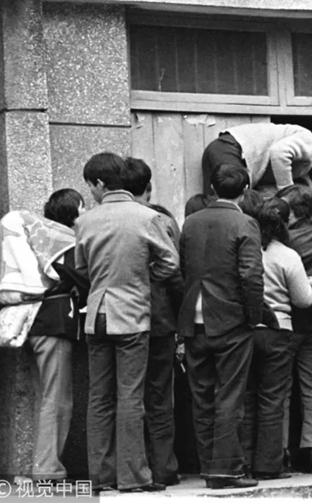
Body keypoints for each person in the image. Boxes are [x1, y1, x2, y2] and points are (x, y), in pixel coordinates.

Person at [76, 151, 179, 493]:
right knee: (130, 396)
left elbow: (81, 267)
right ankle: (133, 475)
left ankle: (99, 476)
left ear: (100, 183)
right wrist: (143, 278)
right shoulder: (147, 217)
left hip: (96, 315)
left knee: (99, 397)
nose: (91, 192)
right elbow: (170, 264)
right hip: (133, 315)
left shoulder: (85, 221)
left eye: (91, 186)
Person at [179, 164, 265, 489]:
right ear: (245, 191)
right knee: (229, 397)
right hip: (230, 319)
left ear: (212, 189)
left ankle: (208, 468)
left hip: (194, 318)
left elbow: (182, 268)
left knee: (201, 397)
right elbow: (251, 275)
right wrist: (253, 316)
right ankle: (226, 470)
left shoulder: (190, 222)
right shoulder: (245, 223)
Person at [122, 158, 183, 486]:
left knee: (127, 395)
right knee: (160, 396)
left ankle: (134, 468)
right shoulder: (163, 220)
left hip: (121, 319)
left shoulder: (111, 219)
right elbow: (176, 274)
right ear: (148, 188)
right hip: (160, 318)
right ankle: (164, 467)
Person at [244, 198, 312, 480]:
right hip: (279, 330)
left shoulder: (243, 251)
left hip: (246, 330)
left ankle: (244, 462)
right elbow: (304, 300)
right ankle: (269, 465)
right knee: (273, 399)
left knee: (246, 398)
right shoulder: (287, 256)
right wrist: (310, 283)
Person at [24, 189, 88, 482]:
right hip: (55, 325)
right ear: (73, 211)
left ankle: (43, 465)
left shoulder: (41, 239)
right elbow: (84, 279)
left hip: (35, 323)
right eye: (83, 207)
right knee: (58, 399)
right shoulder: (64, 244)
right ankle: (48, 469)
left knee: (45, 396)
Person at [276, 184, 312, 472]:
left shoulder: (283, 240)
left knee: (281, 387)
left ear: (294, 213)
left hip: (287, 321)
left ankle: (281, 448)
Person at [201, 123, 312, 198]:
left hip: (219, 148)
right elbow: (279, 152)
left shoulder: (302, 144)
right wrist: (287, 193)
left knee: (212, 204)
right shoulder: (311, 143)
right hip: (232, 151)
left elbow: (301, 174)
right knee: (235, 206)